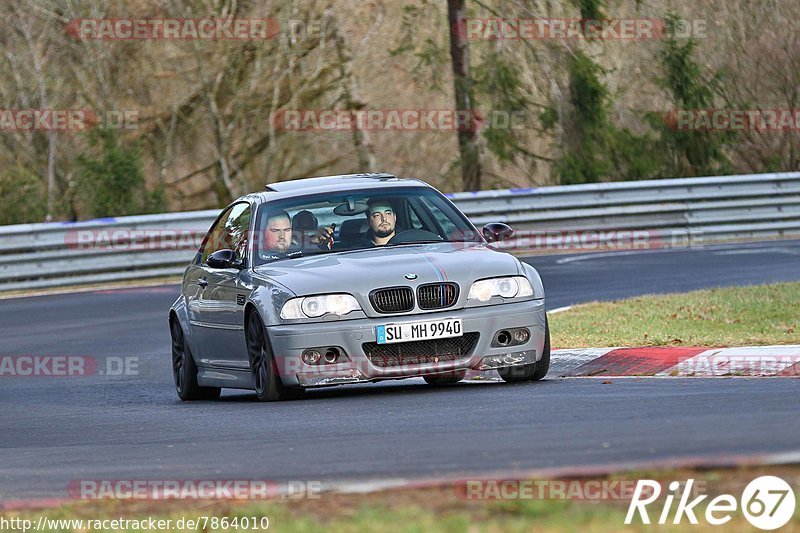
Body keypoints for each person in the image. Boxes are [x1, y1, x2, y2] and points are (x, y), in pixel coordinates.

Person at [315, 198, 397, 248]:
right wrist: (321, 244)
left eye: (388, 213)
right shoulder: (356, 250)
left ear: (395, 217)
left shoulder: (409, 242)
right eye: (377, 215)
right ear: (368, 221)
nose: (384, 219)